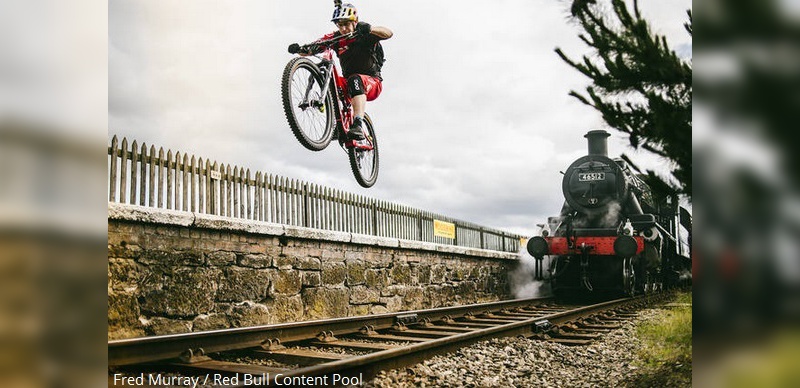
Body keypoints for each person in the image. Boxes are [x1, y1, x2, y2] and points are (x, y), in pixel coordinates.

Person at [296, 3, 392, 140]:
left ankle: (358, 123)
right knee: (331, 80)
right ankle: (337, 123)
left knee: (355, 80)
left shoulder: (364, 33)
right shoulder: (337, 37)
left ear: (355, 22)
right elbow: (315, 47)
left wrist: (370, 29)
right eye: (339, 25)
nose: (343, 29)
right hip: (349, 81)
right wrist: (300, 49)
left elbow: (388, 33)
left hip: (372, 82)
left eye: (346, 24)